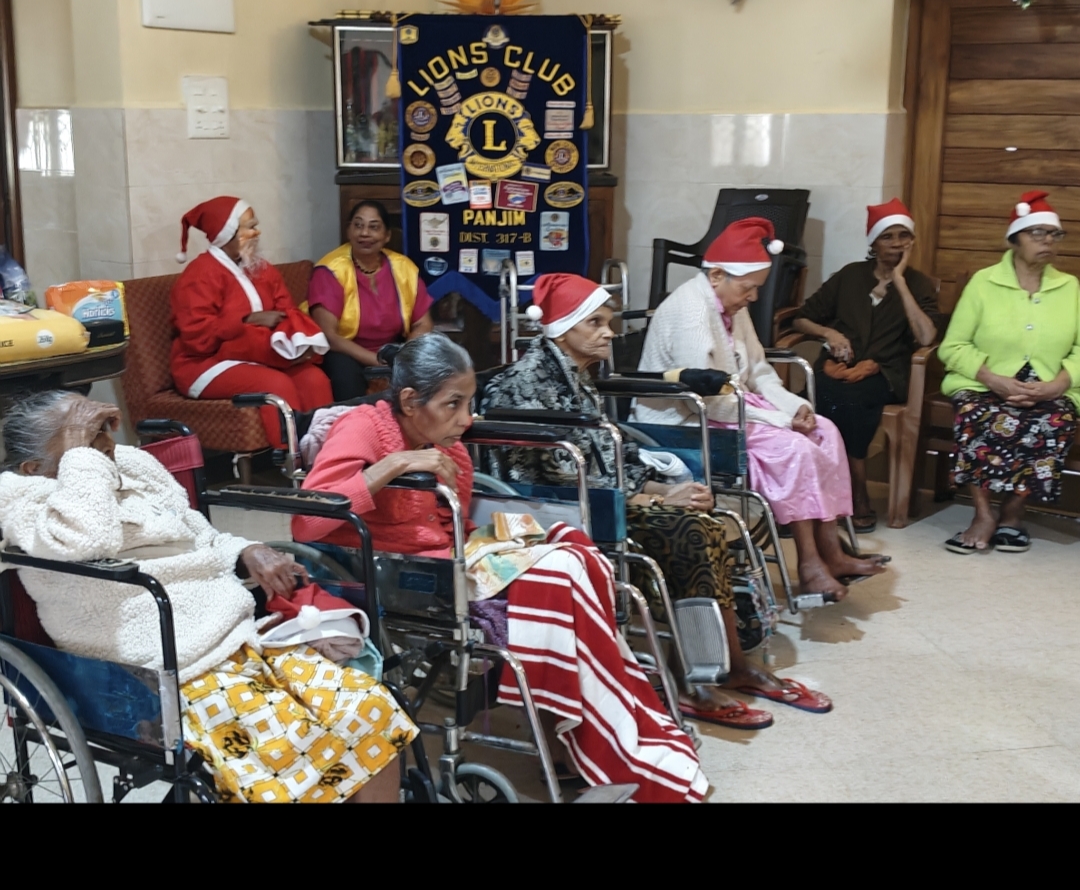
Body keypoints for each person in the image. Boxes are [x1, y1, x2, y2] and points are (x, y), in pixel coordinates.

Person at [293, 333, 709, 802]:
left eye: (468, 403)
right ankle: (582, 740)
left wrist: (501, 546)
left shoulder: (446, 444)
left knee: (579, 556)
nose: (466, 420)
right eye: (453, 405)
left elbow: (458, 525)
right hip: (396, 574)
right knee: (560, 577)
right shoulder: (364, 429)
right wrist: (395, 464)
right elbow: (308, 520)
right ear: (410, 400)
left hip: (454, 559)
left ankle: (588, 731)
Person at [0, 390, 417, 803]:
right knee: (285, 744)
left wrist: (244, 550)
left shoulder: (130, 467)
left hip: (234, 637)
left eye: (100, 433)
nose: (106, 445)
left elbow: (199, 535)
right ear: (33, 467)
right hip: (159, 669)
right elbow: (89, 536)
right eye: (86, 438)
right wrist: (81, 455)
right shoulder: (22, 500)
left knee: (366, 707)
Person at [480, 273, 832, 722]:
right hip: (555, 514)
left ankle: (728, 666)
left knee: (704, 519)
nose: (610, 332)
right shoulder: (531, 384)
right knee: (689, 530)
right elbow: (566, 476)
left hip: (601, 501)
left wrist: (665, 488)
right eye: (597, 323)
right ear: (564, 328)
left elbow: (610, 453)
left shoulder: (575, 374)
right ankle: (695, 681)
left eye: (608, 321)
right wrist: (655, 501)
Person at [632, 218, 888, 603]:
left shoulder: (731, 303)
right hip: (685, 420)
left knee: (825, 430)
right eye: (749, 288)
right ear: (717, 274)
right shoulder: (690, 311)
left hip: (729, 407)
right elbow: (710, 398)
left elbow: (759, 370)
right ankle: (809, 565)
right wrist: (781, 422)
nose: (753, 298)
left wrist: (796, 408)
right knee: (793, 448)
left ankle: (832, 552)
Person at [939, 190, 1080, 554]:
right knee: (976, 414)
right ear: (1015, 239)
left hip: (1050, 386)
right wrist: (993, 380)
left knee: (1054, 419)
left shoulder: (1070, 287)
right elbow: (952, 347)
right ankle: (983, 515)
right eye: (1037, 233)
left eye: (1054, 234)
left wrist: (1057, 385)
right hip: (984, 382)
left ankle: (1014, 514)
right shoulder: (984, 283)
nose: (1047, 240)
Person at [791, 199, 944, 532]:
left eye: (904, 236)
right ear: (873, 243)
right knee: (816, 396)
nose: (897, 243)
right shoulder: (850, 276)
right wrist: (828, 332)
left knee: (853, 398)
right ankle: (817, 494)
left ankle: (856, 492)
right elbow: (802, 318)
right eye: (888, 237)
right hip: (836, 368)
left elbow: (926, 335)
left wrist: (900, 282)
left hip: (887, 375)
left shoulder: (918, 284)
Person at [169, 196, 333, 448]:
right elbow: (197, 338)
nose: (258, 232)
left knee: (314, 378)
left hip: (262, 354)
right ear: (227, 234)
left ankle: (329, 456)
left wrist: (293, 342)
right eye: (250, 227)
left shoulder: (262, 268)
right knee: (275, 384)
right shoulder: (199, 274)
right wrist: (246, 319)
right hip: (203, 364)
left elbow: (285, 310)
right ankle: (293, 464)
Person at [305, 200, 435, 401]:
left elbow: (423, 323)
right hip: (343, 350)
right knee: (344, 374)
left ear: (386, 236)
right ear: (349, 231)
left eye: (373, 227)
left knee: (435, 364)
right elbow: (329, 337)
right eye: (358, 225)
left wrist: (405, 357)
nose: (364, 233)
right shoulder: (330, 270)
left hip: (393, 348)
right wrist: (377, 361)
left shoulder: (403, 267)